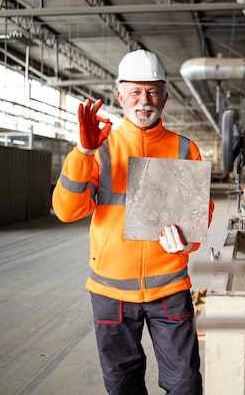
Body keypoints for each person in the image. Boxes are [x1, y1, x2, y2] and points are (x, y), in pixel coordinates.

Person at [52, 49, 214, 395]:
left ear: (165, 95)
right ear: (120, 94)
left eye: (153, 91)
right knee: (122, 384)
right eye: (136, 92)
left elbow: (201, 214)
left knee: (185, 382)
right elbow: (67, 210)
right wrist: (82, 151)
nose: (145, 101)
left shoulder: (185, 149)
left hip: (169, 289)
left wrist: (187, 242)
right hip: (111, 292)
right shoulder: (101, 148)